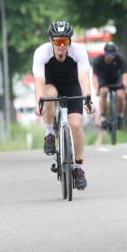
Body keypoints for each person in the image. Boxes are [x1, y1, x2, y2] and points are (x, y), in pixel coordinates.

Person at [33, 21, 93, 190]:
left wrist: (88, 99)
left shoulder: (79, 51)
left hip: (72, 86)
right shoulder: (41, 53)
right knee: (49, 96)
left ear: (70, 42)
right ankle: (50, 133)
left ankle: (79, 168)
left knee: (76, 124)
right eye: (57, 41)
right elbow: (39, 82)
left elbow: (84, 78)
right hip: (51, 85)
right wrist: (39, 103)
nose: (61, 46)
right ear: (51, 41)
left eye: (65, 42)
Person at [91, 41, 127, 144]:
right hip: (103, 81)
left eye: (112, 54)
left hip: (116, 80)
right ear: (105, 52)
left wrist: (125, 87)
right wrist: (96, 90)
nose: (110, 57)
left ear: (115, 53)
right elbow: (94, 77)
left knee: (120, 95)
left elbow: (125, 74)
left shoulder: (120, 59)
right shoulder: (98, 61)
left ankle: (120, 116)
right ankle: (103, 117)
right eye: (108, 54)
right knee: (103, 93)